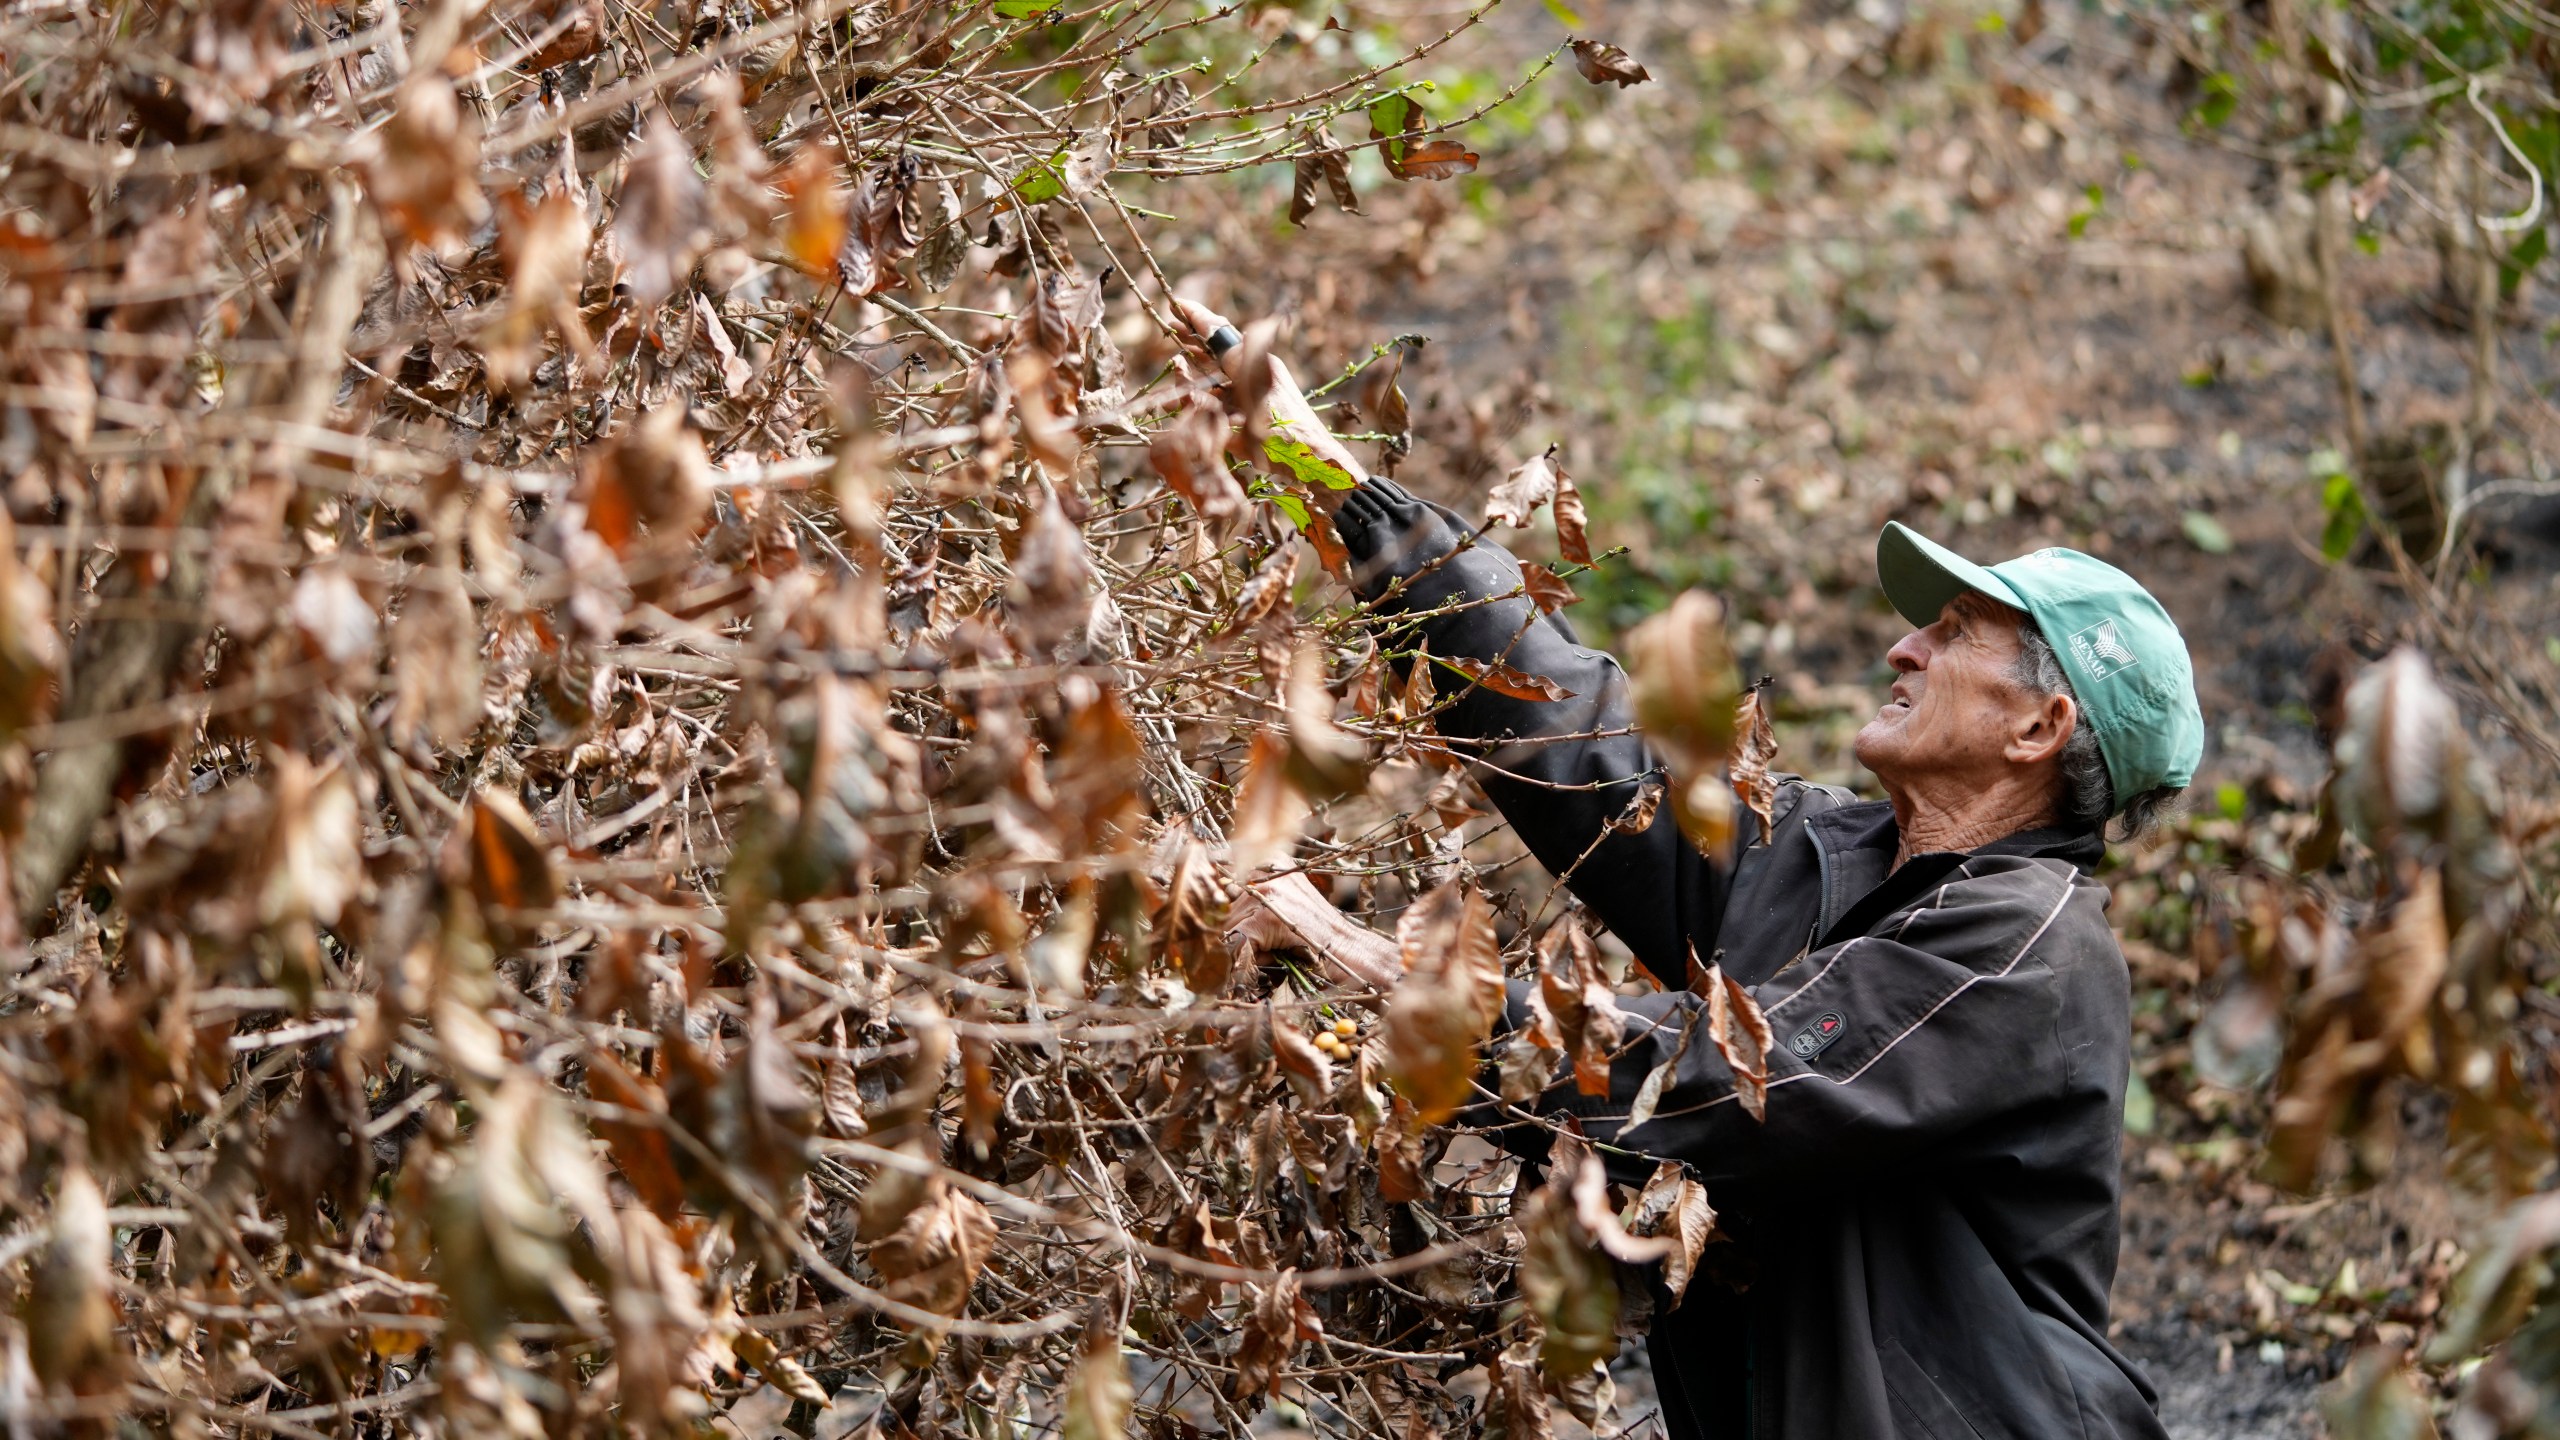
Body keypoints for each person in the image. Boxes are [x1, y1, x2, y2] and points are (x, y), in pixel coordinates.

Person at [1177, 301, 2206, 1440]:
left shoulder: (2029, 949)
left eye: (1954, 633)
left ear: (2039, 729)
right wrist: (1314, 467)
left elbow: (1720, 1081)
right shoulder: (1831, 855)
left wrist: (1359, 957)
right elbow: (1572, 730)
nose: (1900, 646)